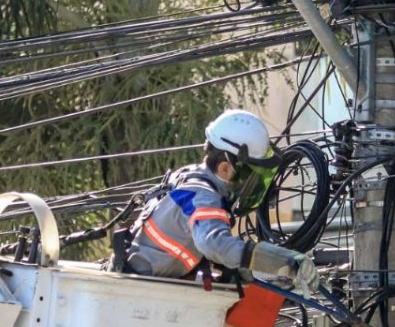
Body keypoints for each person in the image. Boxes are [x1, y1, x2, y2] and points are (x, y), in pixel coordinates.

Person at [121, 109, 319, 296]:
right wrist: (286, 262)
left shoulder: (191, 177)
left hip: (145, 286)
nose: (250, 183)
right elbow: (215, 244)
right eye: (249, 174)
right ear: (225, 168)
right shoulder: (202, 194)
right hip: (139, 293)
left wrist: (254, 271)